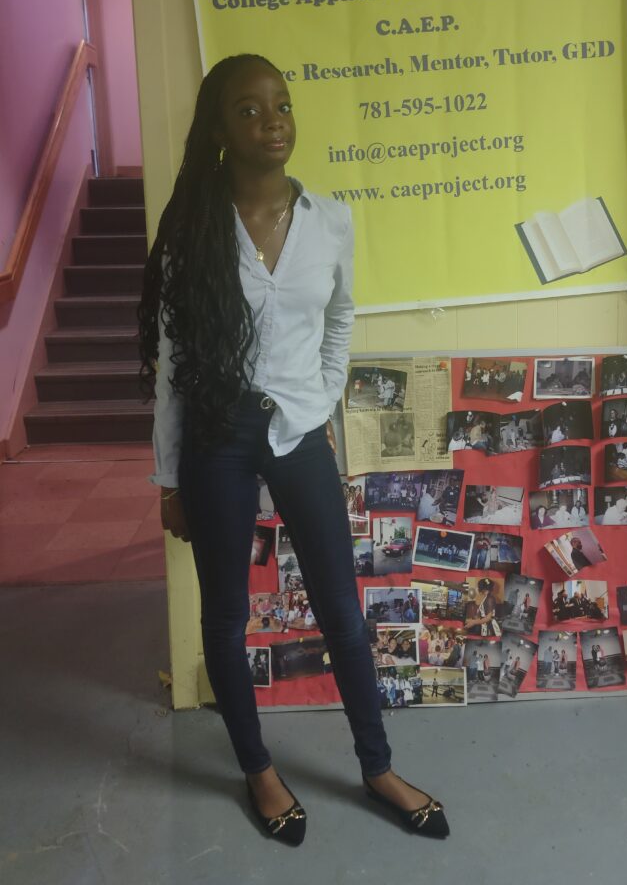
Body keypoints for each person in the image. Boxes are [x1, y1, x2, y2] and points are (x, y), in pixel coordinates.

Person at [138, 54, 447, 844]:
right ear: (219, 127)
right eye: (248, 109)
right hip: (217, 435)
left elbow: (340, 321)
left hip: (301, 432)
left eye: (281, 104)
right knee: (226, 614)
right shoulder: (193, 226)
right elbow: (172, 360)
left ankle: (377, 766)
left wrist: (321, 396)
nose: (272, 121)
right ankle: (258, 770)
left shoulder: (330, 220)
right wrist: (168, 479)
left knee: (342, 608)